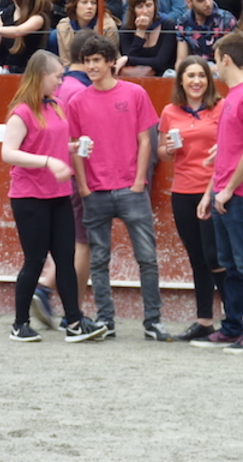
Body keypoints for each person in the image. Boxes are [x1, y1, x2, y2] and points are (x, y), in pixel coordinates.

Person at [65, 33, 171, 341]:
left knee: (146, 258)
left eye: (97, 60)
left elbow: (145, 141)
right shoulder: (77, 102)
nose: (92, 66)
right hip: (96, 190)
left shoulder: (135, 93)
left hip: (130, 188)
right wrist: (84, 186)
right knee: (99, 260)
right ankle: (106, 319)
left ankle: (152, 321)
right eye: (87, 61)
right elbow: (75, 147)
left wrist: (138, 181)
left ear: (111, 62)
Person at [0, 49, 108, 343]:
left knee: (65, 258)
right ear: (42, 76)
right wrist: (48, 161)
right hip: (29, 195)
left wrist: (72, 148)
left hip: (58, 193)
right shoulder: (22, 111)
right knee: (34, 260)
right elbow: (8, 153)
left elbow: (51, 142)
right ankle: (20, 323)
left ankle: (74, 320)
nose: (61, 82)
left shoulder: (57, 105)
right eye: (57, 76)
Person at [191, 31, 243, 354]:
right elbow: (242, 146)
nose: (214, 66)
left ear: (226, 59)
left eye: (215, 59)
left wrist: (226, 191)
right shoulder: (238, 96)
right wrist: (216, 189)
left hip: (241, 194)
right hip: (229, 192)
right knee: (233, 264)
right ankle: (234, 327)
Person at [157, 55, 225, 342]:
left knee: (215, 256)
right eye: (191, 76)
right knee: (197, 258)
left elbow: (227, 153)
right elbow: (162, 153)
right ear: (181, 81)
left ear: (208, 80)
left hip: (212, 190)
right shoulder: (170, 111)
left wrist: (210, 193)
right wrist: (169, 149)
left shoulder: (221, 107)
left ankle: (234, 318)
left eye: (201, 75)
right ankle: (204, 321)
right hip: (182, 192)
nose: (197, 81)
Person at [175, 0, 238, 66]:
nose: (208, 4)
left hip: (221, 68)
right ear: (189, 3)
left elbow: (232, 61)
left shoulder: (226, 20)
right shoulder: (183, 22)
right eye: (201, 0)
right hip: (195, 68)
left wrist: (208, 70)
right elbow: (181, 60)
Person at [51, 0, 118, 66]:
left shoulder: (108, 26)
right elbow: (66, 63)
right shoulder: (63, 26)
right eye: (84, 2)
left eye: (93, 3)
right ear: (75, 4)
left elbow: (110, 60)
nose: (90, 6)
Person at [116, 0, 177, 76]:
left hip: (163, 76)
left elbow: (161, 62)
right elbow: (130, 62)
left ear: (155, 6)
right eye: (140, 7)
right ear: (133, 10)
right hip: (135, 77)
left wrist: (127, 59)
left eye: (149, 5)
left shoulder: (168, 25)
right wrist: (140, 32)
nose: (145, 11)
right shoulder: (126, 30)